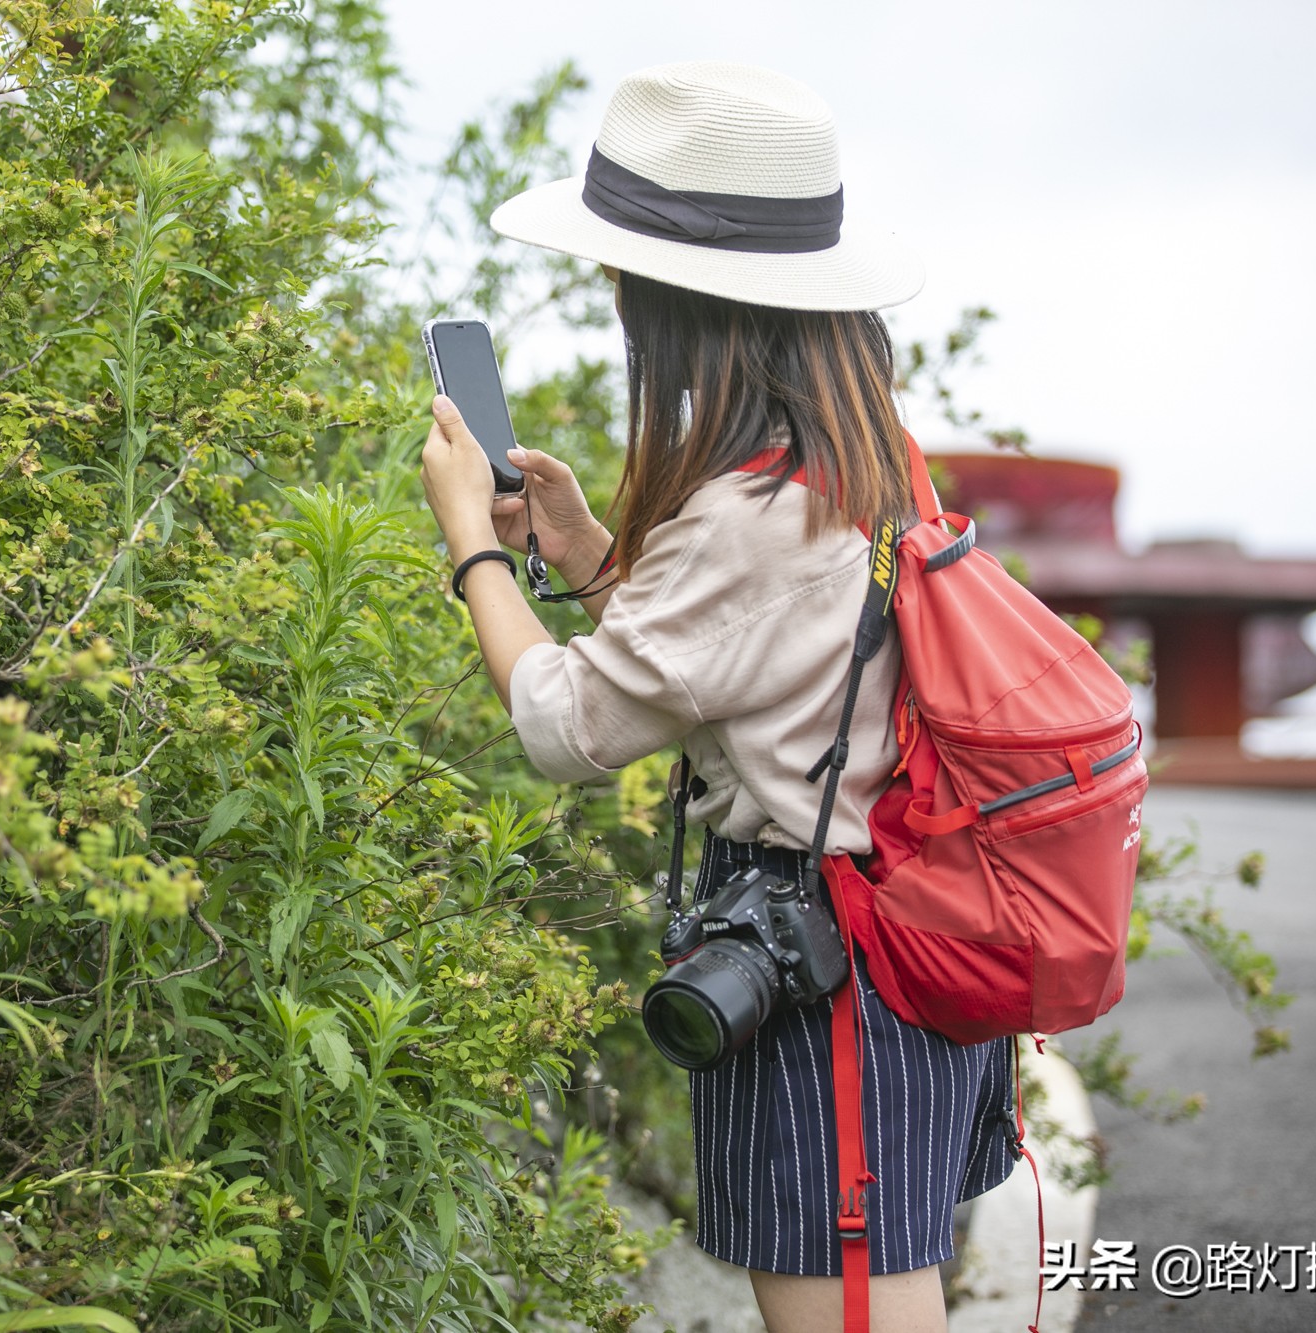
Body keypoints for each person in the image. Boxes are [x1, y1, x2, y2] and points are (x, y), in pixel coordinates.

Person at [418, 63, 1017, 1333]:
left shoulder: (747, 513)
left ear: (684, 306)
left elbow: (566, 725)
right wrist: (587, 558)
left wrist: (474, 542)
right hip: (899, 960)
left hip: (823, 983)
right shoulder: (855, 458)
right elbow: (757, 658)